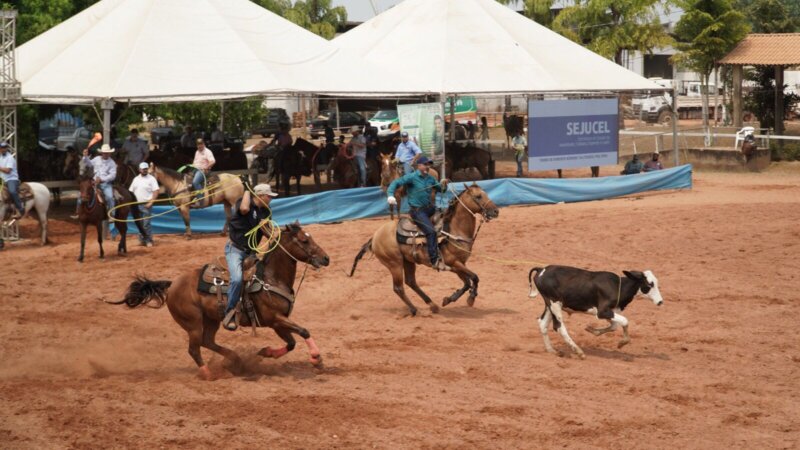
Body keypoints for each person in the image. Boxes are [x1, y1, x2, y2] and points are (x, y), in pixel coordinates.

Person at [222, 181, 278, 331]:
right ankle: (230, 312)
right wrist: (247, 191)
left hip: (251, 252)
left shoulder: (266, 211)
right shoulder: (244, 202)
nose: (271, 199)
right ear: (259, 196)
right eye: (268, 196)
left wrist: (276, 237)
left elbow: (268, 231)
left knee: (263, 277)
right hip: (235, 250)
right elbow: (245, 209)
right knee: (237, 279)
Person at [387, 156, 450, 271]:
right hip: (417, 211)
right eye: (425, 164)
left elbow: (441, 190)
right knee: (431, 231)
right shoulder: (411, 177)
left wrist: (444, 184)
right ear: (419, 166)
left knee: (448, 216)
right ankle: (434, 259)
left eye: (429, 164)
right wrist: (390, 194)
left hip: (429, 208)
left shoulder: (430, 178)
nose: (427, 166)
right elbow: (396, 183)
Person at [82, 144, 117, 232]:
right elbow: (88, 164)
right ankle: (80, 212)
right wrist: (85, 156)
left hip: (105, 184)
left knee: (109, 197)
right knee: (83, 193)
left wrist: (102, 179)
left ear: (109, 153)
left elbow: (112, 176)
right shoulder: (97, 159)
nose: (105, 154)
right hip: (94, 182)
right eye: (104, 153)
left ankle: (111, 215)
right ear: (101, 153)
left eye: (107, 153)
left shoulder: (112, 163)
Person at [128, 162, 159, 247]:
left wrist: (151, 202)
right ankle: (142, 240)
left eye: (146, 168)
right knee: (140, 223)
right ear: (139, 169)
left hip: (146, 204)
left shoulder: (151, 179)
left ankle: (149, 240)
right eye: (143, 169)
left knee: (146, 224)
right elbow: (131, 191)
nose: (144, 170)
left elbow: (156, 191)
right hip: (137, 204)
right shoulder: (136, 179)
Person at [0, 141, 23, 219]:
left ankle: (20, 209)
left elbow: (8, 171)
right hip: (2, 179)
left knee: (12, 191)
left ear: (7, 148)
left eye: (5, 148)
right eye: (2, 148)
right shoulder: (0, 157)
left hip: (11, 179)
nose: (3, 149)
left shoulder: (10, 158)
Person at [191, 138, 216, 207]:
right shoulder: (197, 152)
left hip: (204, 170)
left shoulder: (207, 151)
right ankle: (191, 198)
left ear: (204, 144)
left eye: (201, 144)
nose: (199, 146)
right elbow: (195, 162)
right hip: (195, 169)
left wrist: (207, 166)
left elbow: (213, 161)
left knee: (195, 182)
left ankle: (200, 201)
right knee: (186, 179)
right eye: (198, 144)